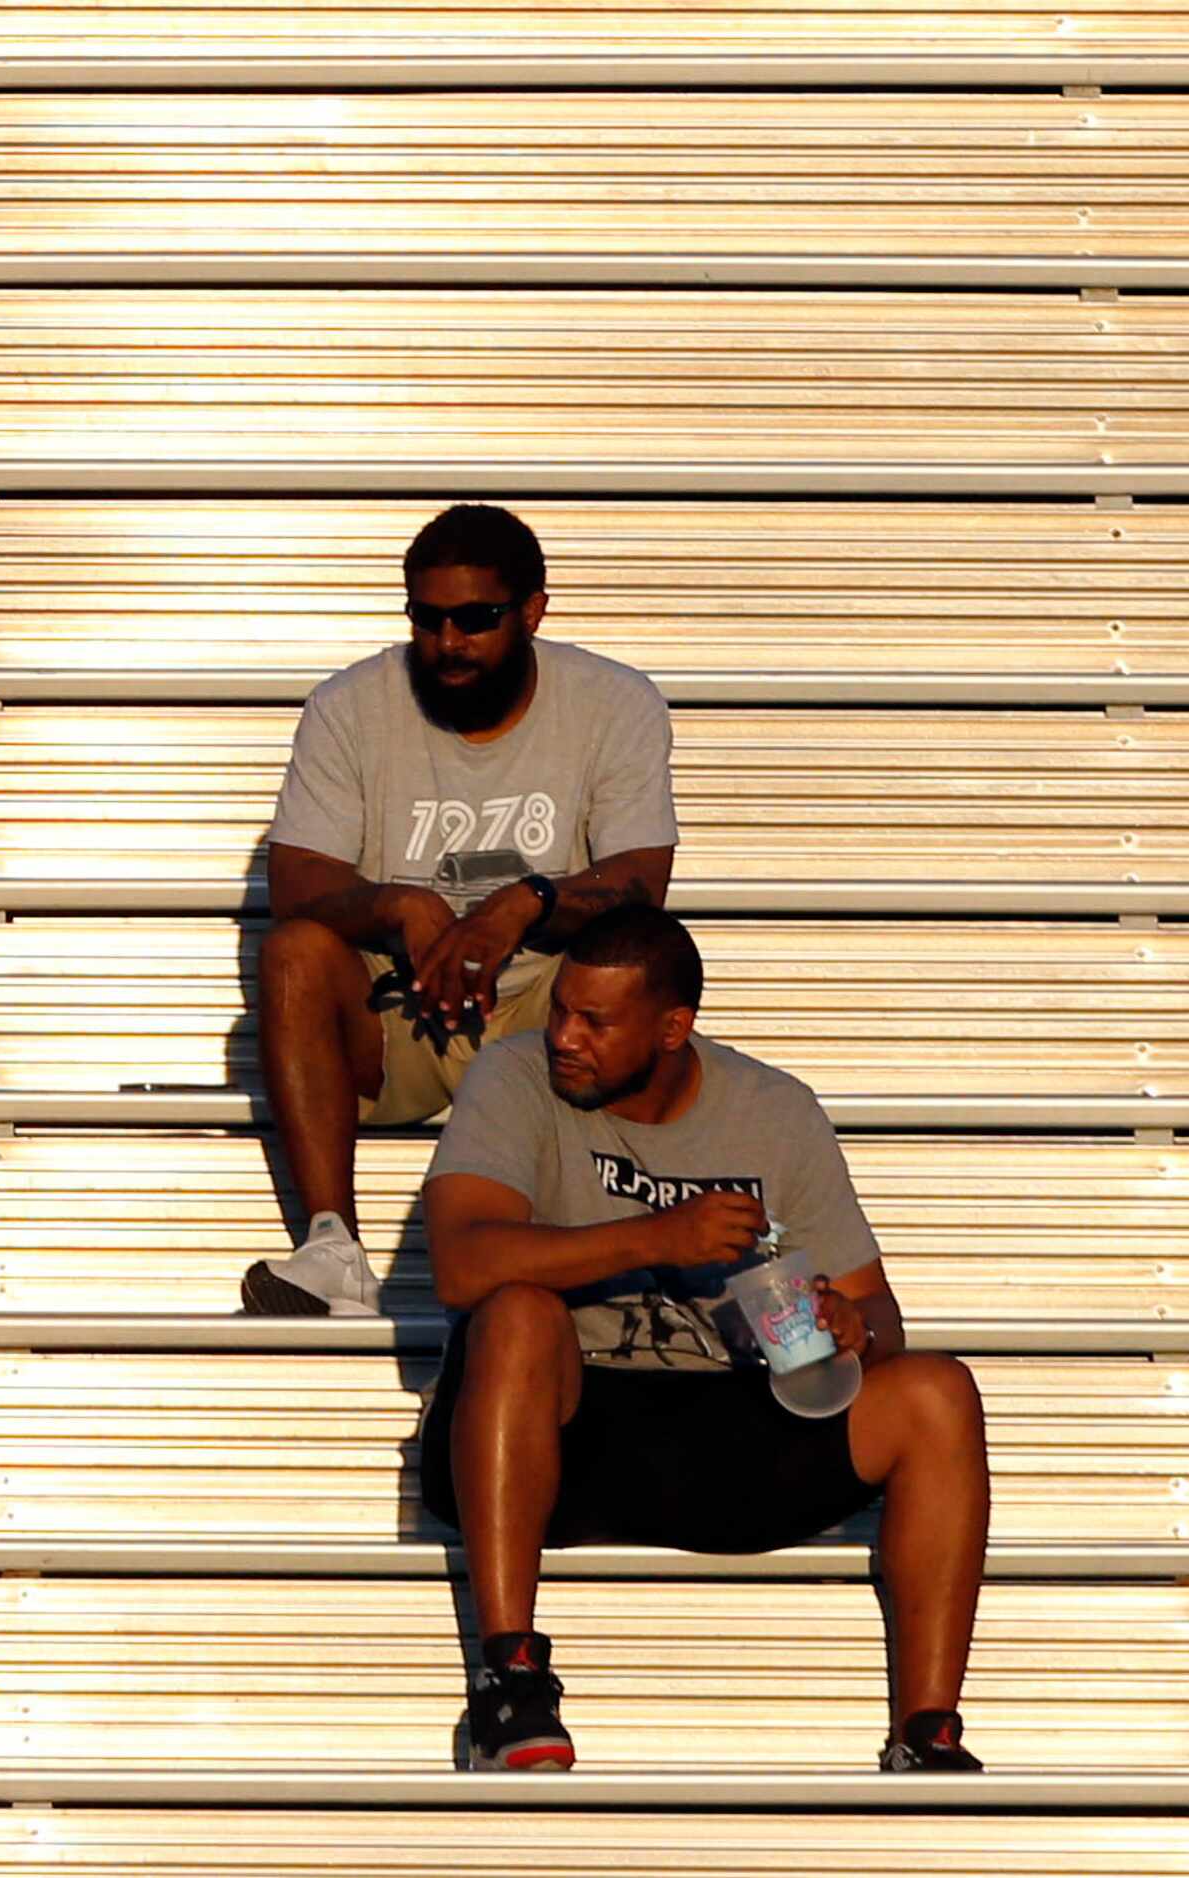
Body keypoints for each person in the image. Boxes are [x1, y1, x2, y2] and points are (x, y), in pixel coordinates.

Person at [417, 906, 989, 1773]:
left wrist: (850, 1328)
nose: (564, 1036)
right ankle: (510, 1680)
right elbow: (461, 1265)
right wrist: (654, 1239)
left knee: (939, 1391)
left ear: (673, 1028)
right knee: (515, 1312)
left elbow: (882, 1316)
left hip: (732, 1423)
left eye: (594, 1021)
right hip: (560, 1431)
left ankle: (929, 1734)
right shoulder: (513, 1076)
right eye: (561, 1008)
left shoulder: (775, 1110)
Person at [241, 504, 679, 1316]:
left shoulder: (612, 701)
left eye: (476, 619)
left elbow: (641, 882)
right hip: (396, 1014)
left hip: (543, 1013)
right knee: (294, 951)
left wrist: (525, 903)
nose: (449, 643)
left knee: (644, 967)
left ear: (533, 610)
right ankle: (332, 1250)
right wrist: (402, 904)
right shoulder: (352, 704)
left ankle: (619, 1250)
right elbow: (297, 882)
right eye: (428, 618)